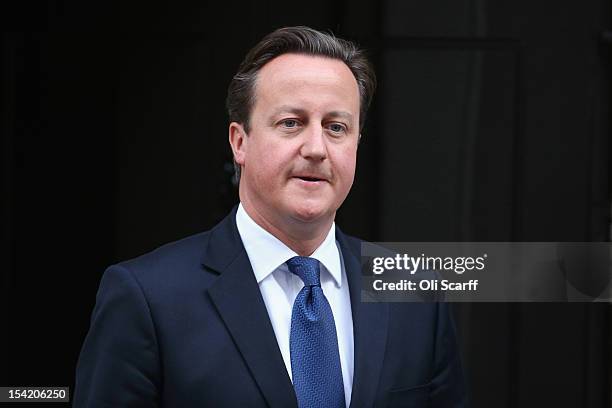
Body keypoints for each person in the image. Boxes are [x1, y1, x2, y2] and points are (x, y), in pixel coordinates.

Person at [74, 26, 468, 407]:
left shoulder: (416, 296)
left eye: (336, 127)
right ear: (239, 142)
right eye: (291, 123)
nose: (316, 148)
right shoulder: (147, 298)